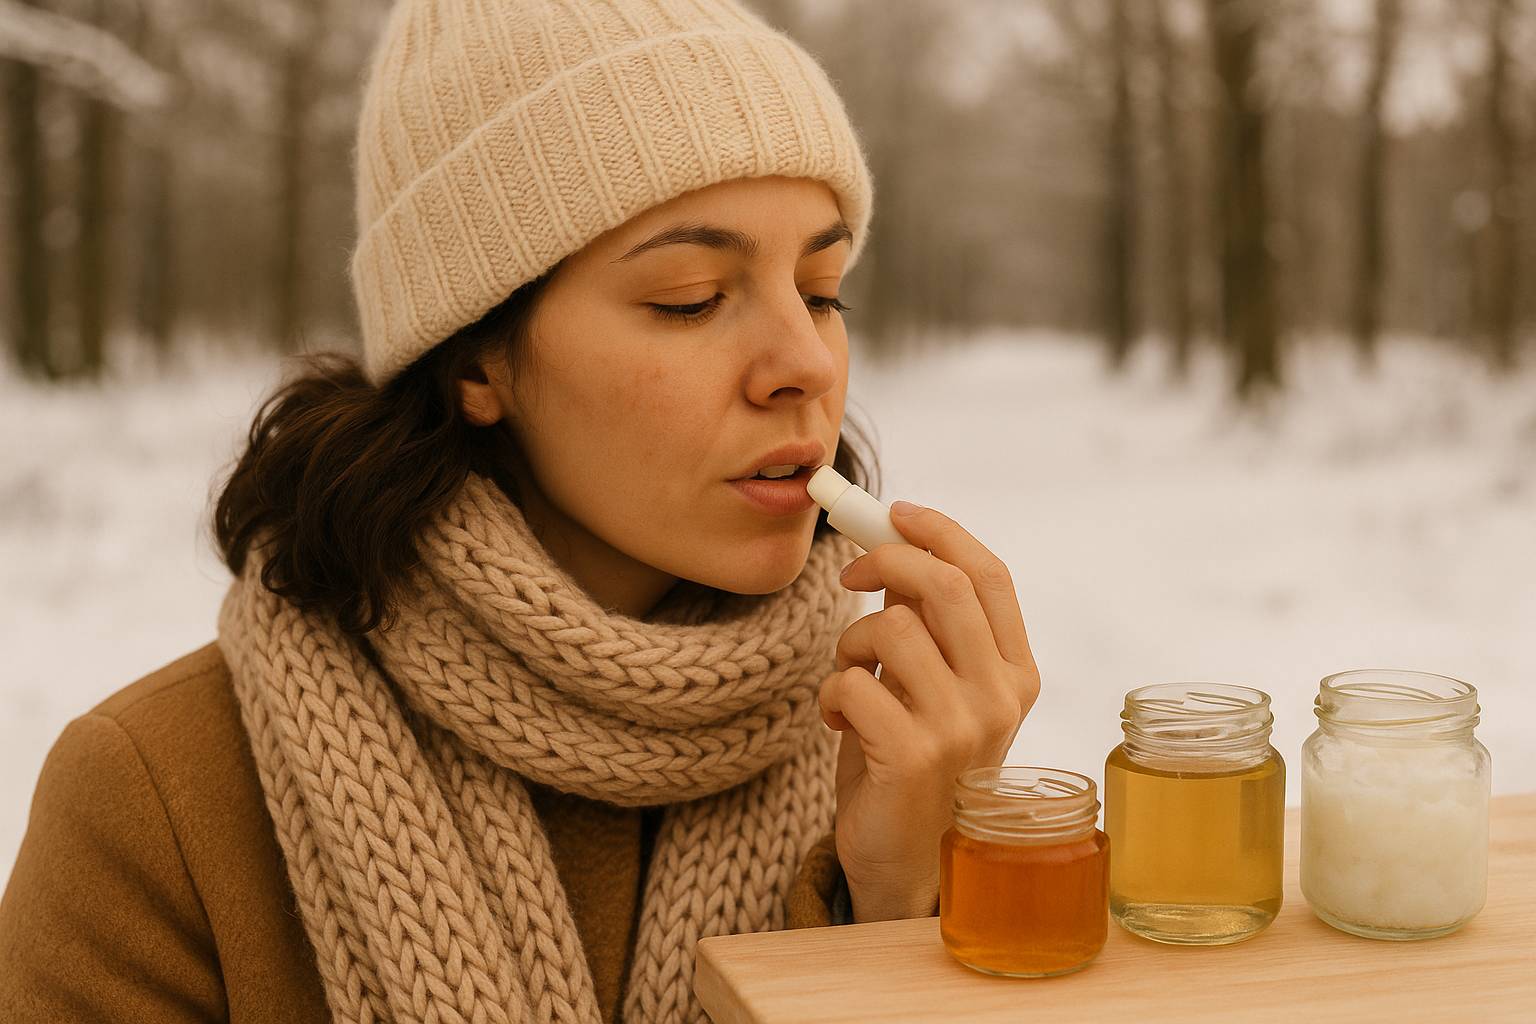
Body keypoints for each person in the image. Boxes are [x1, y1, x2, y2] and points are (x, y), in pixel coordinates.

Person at [0, 1, 1041, 1021]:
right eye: (690, 296)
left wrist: (906, 905)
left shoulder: (896, 749)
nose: (807, 363)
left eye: (821, 288)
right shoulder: (159, 800)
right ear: (476, 360)